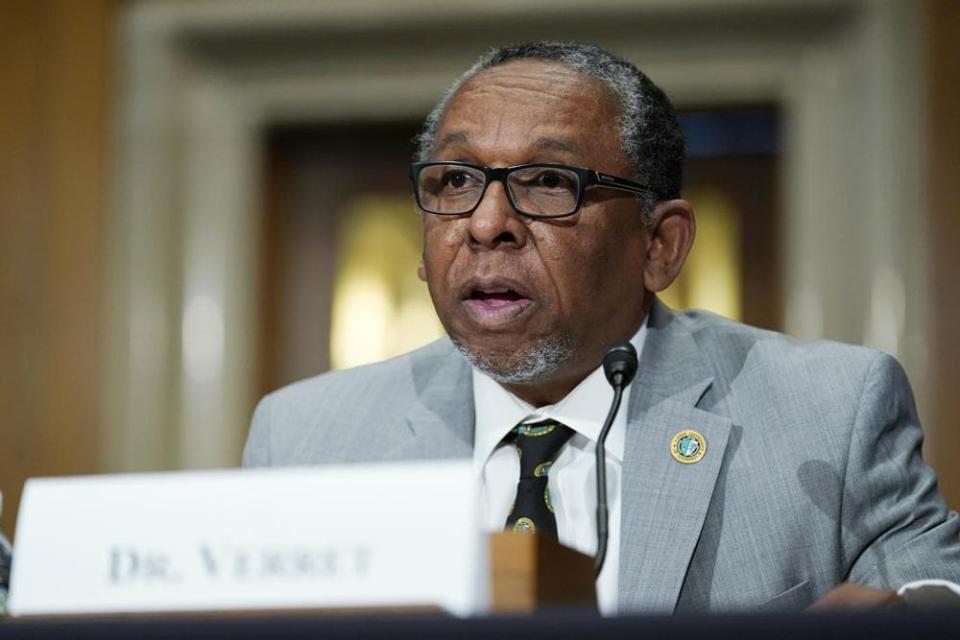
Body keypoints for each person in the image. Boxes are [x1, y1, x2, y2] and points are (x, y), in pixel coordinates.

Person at [243, 41, 960, 613]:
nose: (487, 225)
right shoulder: (305, 439)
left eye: (550, 182)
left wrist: (912, 611)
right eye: (454, 182)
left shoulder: (830, 412)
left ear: (659, 246)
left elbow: (934, 591)